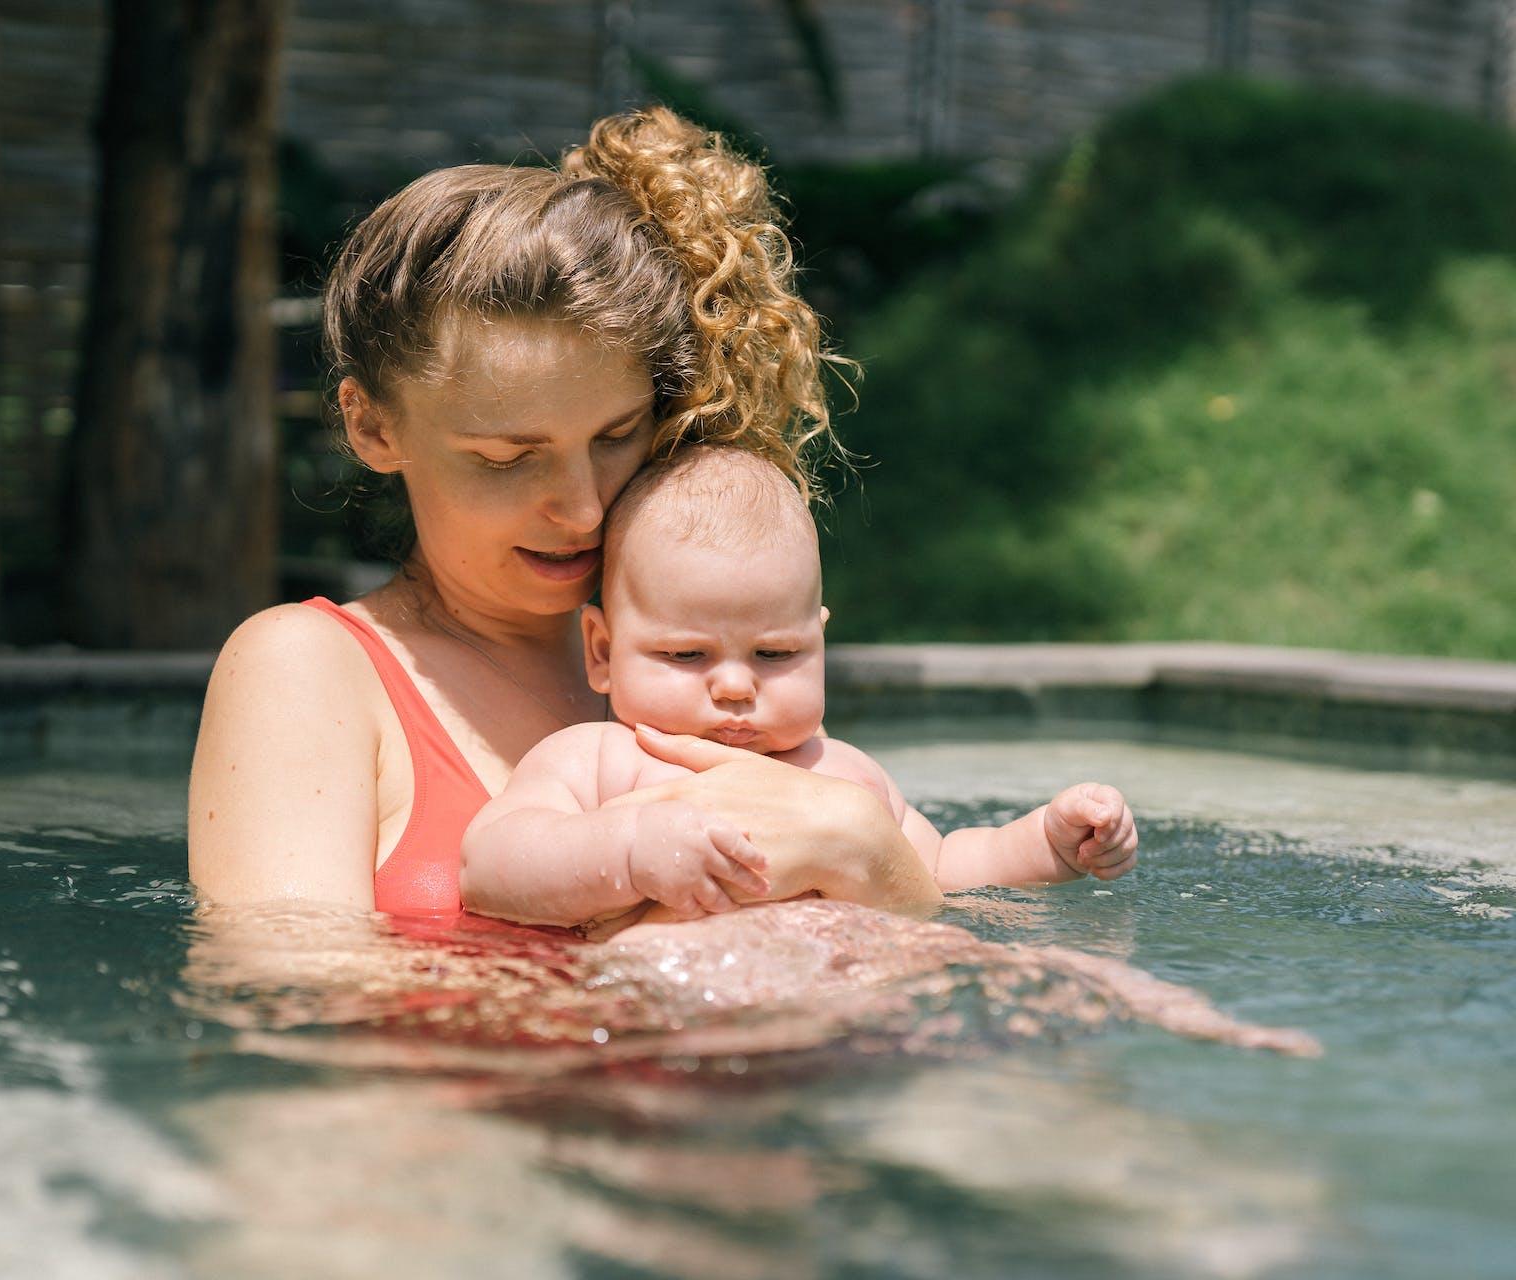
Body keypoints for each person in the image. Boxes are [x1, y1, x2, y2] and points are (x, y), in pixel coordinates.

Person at [188, 107, 941, 919]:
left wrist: (867, 849)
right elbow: (288, 1006)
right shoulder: (306, 669)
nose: (583, 507)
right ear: (373, 425)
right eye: (507, 458)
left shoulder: (718, 672)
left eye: (617, 437)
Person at [461, 446, 1139, 934]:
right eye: (684, 653)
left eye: (775, 653)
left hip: (838, 1035)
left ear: (818, 642)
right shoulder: (596, 759)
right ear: (603, 652)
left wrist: (1046, 845)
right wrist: (627, 850)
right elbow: (491, 867)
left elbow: (938, 869)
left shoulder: (842, 774)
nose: (733, 685)